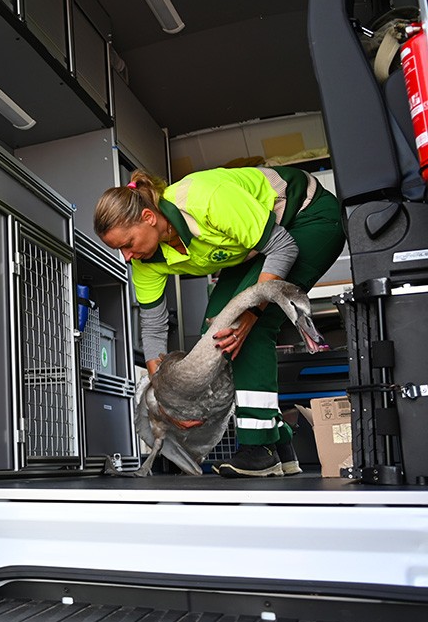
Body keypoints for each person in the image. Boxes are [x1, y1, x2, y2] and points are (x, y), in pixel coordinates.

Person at [94, 166, 345, 477]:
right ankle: (279, 442)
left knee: (243, 331)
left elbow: (282, 246)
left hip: (307, 216)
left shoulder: (204, 199)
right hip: (258, 247)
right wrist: (167, 399)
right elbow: (154, 329)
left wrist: (252, 315)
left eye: (127, 243)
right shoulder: (146, 261)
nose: (126, 256)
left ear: (148, 217)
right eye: (119, 249)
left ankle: (259, 449)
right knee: (215, 338)